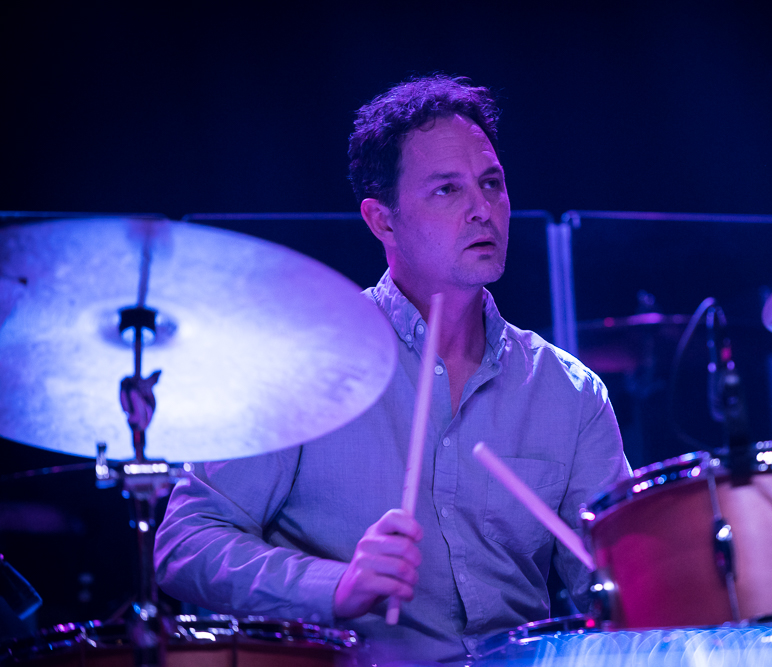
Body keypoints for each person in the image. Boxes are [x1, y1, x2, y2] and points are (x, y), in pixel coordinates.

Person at [154, 75, 631, 665]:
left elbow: (617, 589)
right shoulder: (305, 363)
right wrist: (336, 585)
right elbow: (187, 542)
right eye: (447, 190)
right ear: (382, 221)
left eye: (491, 183)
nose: (482, 209)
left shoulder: (569, 392)